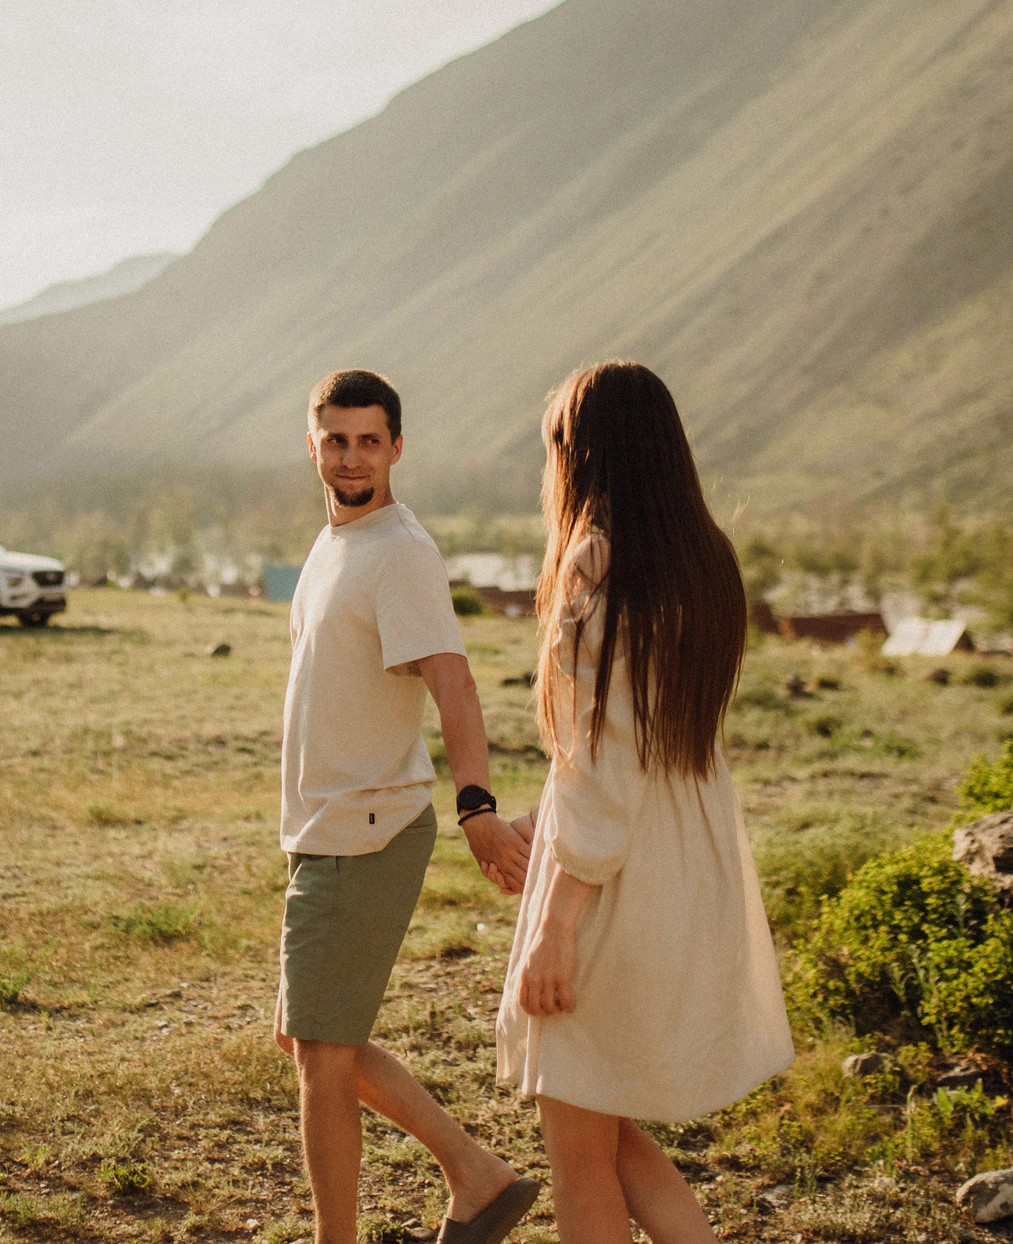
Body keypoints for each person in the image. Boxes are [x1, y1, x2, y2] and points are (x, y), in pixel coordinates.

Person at [495, 361, 793, 1244]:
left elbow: (604, 766)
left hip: (613, 883)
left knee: (578, 1142)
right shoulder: (705, 560)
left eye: (557, 446)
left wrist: (555, 922)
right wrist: (546, 827)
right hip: (681, 860)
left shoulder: (596, 566)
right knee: (605, 1122)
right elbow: (638, 749)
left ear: (584, 454)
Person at [275, 369, 544, 1244]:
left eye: (369, 439)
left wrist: (477, 806)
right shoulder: (336, 541)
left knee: (319, 1055)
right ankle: (477, 1173)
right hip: (328, 825)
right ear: (311, 442)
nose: (352, 455)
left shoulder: (399, 550)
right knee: (311, 1040)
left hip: (368, 826)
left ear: (396, 445)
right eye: (336, 438)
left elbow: (454, 684)